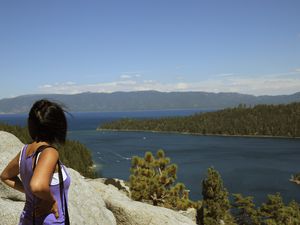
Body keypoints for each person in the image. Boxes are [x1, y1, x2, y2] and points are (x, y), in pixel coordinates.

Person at [0, 99, 71, 225]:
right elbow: (37, 186)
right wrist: (50, 200)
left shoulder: (24, 151)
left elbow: (5, 176)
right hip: (50, 221)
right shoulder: (49, 152)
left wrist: (28, 191)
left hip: (27, 219)